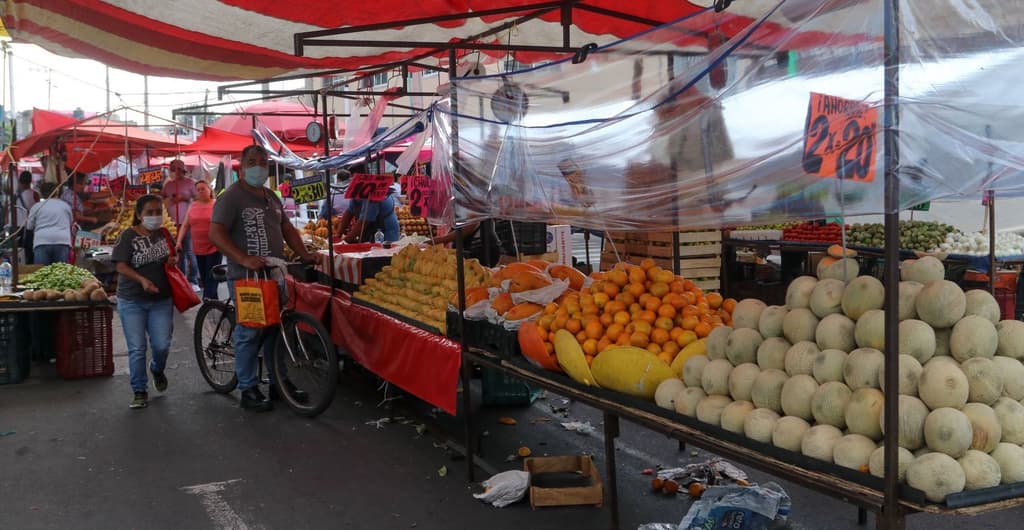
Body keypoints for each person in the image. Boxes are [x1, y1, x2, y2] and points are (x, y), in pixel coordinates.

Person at [208, 145, 316, 412]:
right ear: (242, 166)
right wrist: (243, 258)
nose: (258, 167)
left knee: (275, 330)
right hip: (246, 277)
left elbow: (287, 228)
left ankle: (279, 383)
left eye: (263, 162)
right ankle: (248, 388)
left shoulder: (271, 196)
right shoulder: (231, 197)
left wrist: (304, 254)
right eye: (252, 162)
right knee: (250, 331)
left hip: (273, 274)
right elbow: (216, 233)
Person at [111, 194, 176, 409]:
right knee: (137, 348)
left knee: (161, 345)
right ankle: (139, 390)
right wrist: (142, 280)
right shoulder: (127, 236)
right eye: (150, 212)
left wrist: (173, 260)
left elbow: (173, 256)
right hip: (132, 300)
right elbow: (120, 266)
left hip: (161, 299)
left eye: (158, 211)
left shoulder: (164, 234)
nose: (155, 216)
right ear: (139, 215)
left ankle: (156, 368)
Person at [176, 180, 221, 300]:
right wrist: (179, 241)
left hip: (214, 246)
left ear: (210, 190)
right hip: (198, 248)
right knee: (205, 275)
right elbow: (185, 225)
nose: (201, 191)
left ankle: (207, 299)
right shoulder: (193, 205)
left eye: (203, 189)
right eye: (198, 190)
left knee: (211, 274)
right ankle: (213, 301)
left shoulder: (216, 204)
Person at [162, 160, 200, 289]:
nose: (175, 171)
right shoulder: (168, 185)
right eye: (173, 169)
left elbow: (198, 198)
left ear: (183, 170)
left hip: (187, 221)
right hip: (171, 223)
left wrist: (185, 198)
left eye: (178, 169)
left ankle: (193, 280)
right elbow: (162, 198)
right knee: (178, 252)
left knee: (189, 251)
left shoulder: (190, 182)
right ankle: (182, 279)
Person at [26, 182, 73, 265]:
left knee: (42, 271)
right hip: (62, 241)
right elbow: (70, 222)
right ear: (57, 192)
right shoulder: (65, 206)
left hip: (42, 241)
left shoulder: (36, 207)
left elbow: (29, 227)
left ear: (41, 193)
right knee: (60, 271)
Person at [336, 186, 401, 243]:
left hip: (385, 232)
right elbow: (349, 212)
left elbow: (364, 221)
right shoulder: (357, 192)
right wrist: (338, 235)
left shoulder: (373, 195)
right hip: (370, 231)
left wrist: (345, 241)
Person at [14, 171, 40, 263]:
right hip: (28, 227)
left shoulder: (14, 196)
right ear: (30, 181)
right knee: (28, 251)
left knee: (17, 251)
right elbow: (37, 211)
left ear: (20, 182)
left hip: (15, 226)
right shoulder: (35, 194)